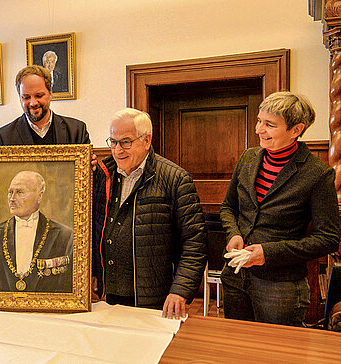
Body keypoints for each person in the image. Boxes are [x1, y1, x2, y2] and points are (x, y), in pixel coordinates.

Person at [220, 91, 341, 326]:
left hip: (279, 287)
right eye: (259, 121)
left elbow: (328, 238)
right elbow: (228, 207)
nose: (258, 130)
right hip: (235, 277)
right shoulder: (248, 158)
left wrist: (268, 253)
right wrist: (234, 233)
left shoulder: (317, 174)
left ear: (296, 130)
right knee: (237, 350)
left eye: (270, 125)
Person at [92, 108, 206, 319]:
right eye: (113, 142)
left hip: (154, 301)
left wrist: (180, 290)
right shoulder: (101, 175)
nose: (118, 150)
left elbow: (194, 243)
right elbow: (88, 230)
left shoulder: (175, 179)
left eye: (125, 142)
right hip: (106, 298)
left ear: (146, 140)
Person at [0, 171, 73, 293]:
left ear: (39, 196)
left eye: (20, 192)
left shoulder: (64, 236)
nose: (12, 199)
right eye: (10, 192)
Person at [0, 65, 90, 146]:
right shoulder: (4, 137)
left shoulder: (77, 131)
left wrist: (92, 166)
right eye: (26, 97)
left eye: (39, 96)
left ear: (50, 93)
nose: (33, 103)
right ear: (19, 97)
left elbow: (89, 167)